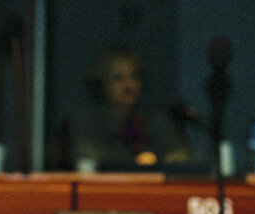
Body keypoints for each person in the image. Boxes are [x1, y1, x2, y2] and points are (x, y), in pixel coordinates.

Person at [59, 47, 191, 170]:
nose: (128, 85)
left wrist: (158, 160)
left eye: (134, 77)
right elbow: (87, 162)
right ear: (101, 83)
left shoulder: (156, 118)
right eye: (118, 78)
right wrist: (134, 163)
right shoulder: (84, 121)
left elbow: (183, 157)